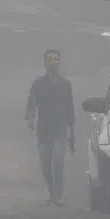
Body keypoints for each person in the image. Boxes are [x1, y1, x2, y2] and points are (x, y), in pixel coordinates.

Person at [25, 49, 76, 206]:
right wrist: (30, 117)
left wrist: (72, 133)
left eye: (55, 59)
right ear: (45, 63)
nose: (53, 62)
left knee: (58, 162)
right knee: (45, 166)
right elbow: (32, 102)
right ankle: (52, 192)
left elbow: (70, 109)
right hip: (44, 130)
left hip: (60, 129)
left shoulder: (65, 84)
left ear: (59, 62)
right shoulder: (39, 83)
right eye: (50, 59)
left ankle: (58, 196)